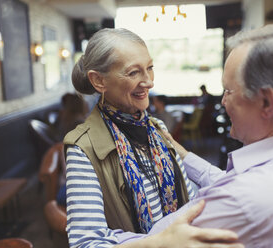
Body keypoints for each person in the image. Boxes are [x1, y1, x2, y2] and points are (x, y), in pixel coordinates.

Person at [114, 23, 273, 248]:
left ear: (267, 102)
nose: (223, 102)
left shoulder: (243, 201)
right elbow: (235, 181)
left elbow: (159, 238)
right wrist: (181, 153)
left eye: (229, 91)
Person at [64, 28, 242, 248]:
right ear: (99, 81)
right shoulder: (83, 148)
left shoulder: (156, 128)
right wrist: (161, 242)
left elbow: (188, 199)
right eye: (133, 73)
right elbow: (85, 243)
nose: (148, 82)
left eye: (150, 68)